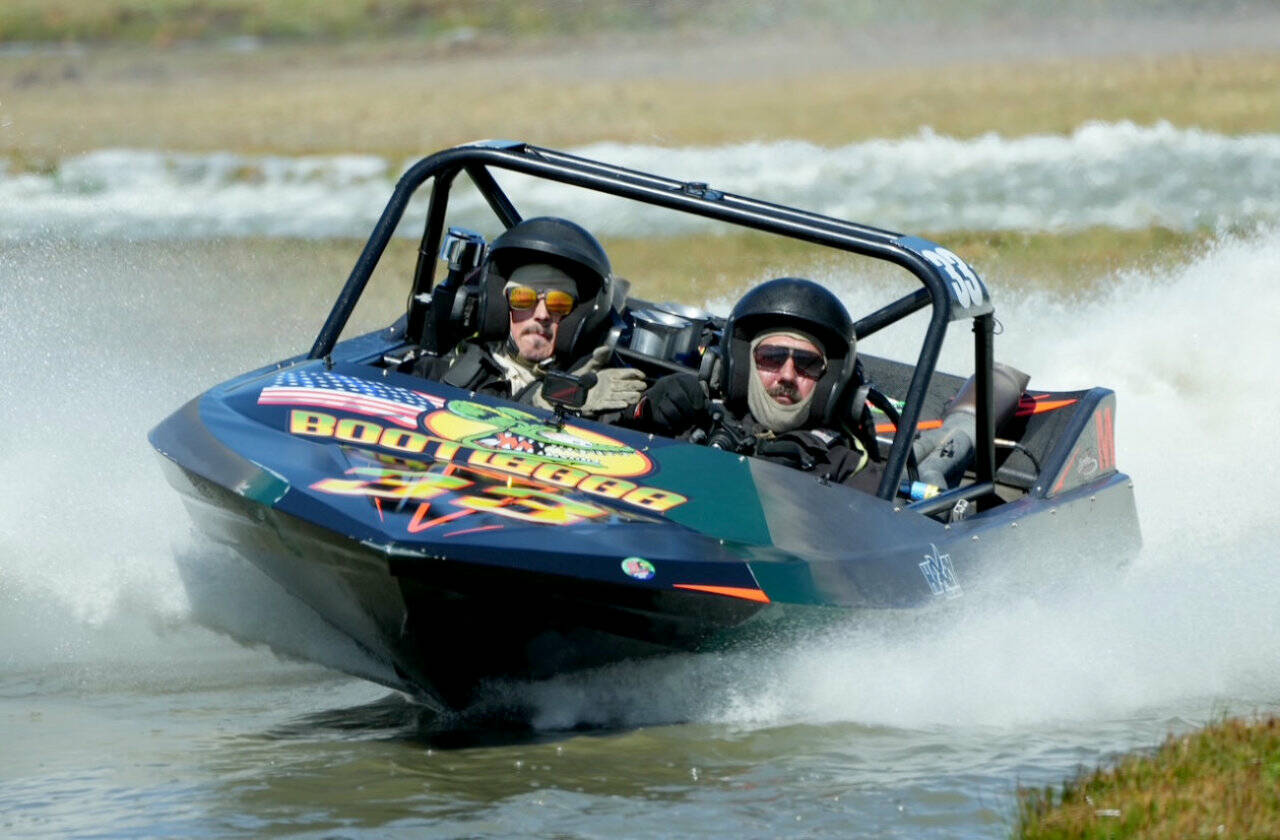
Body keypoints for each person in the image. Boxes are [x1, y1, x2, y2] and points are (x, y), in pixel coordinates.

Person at [632, 277, 881, 491]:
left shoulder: (848, 467)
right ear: (742, 365)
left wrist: (796, 487)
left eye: (808, 363)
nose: (787, 375)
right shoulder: (696, 417)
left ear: (829, 381)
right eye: (771, 358)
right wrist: (642, 413)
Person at [416, 216, 646, 416]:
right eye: (523, 299)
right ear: (500, 306)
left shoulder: (600, 388)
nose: (542, 314)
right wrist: (549, 400)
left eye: (558, 303)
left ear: (578, 318)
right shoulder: (441, 371)